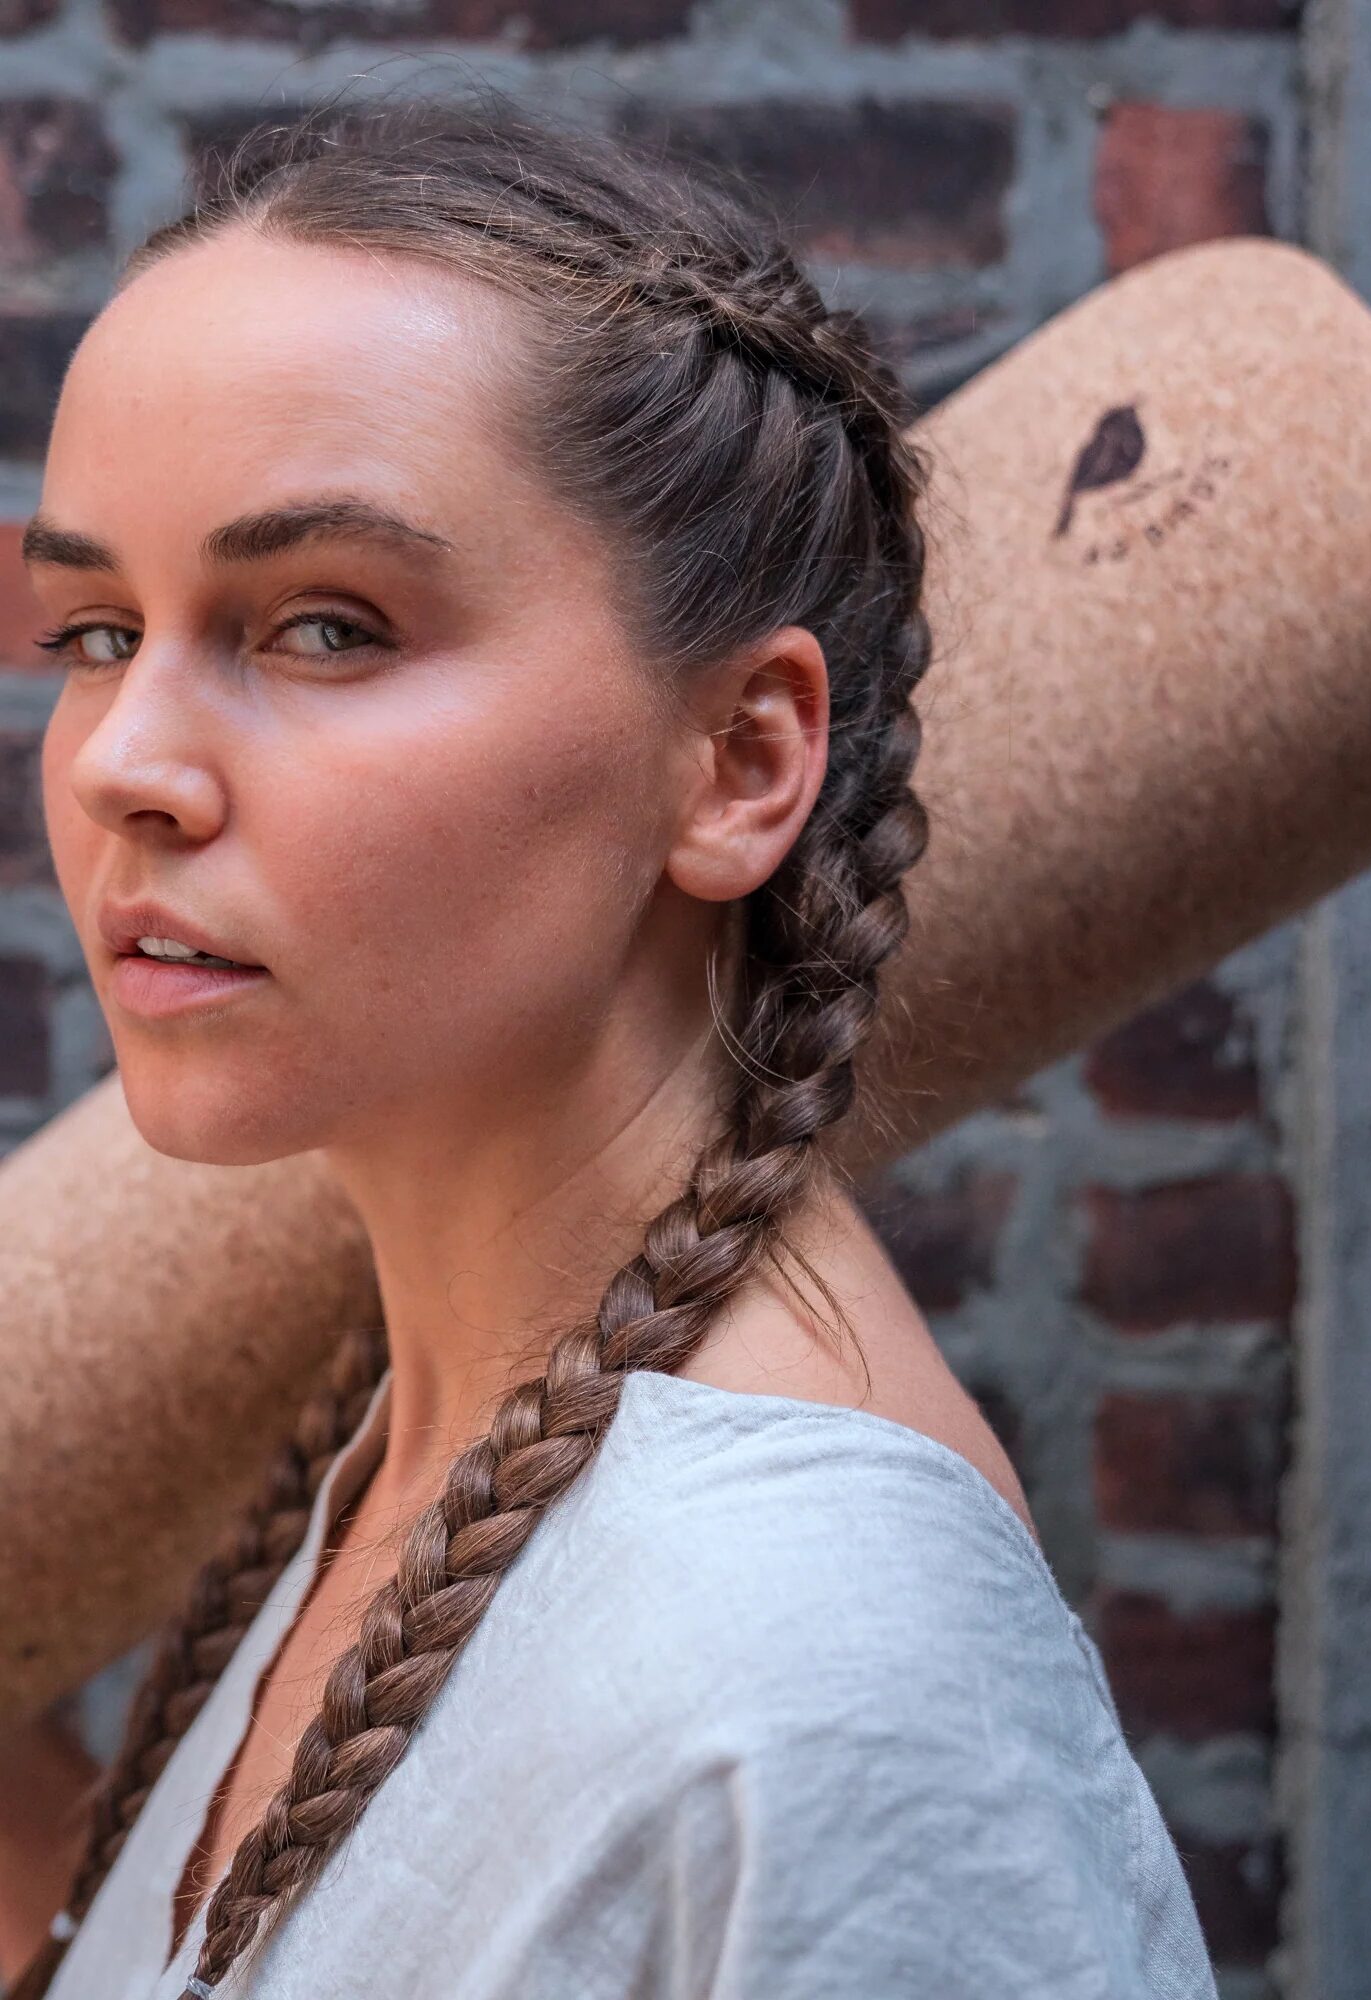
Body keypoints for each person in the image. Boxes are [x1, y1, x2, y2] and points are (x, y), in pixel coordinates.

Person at [10, 87, 1224, 2000]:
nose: (126, 766)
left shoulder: (812, 1674)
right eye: (93, 632)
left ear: (737, 761)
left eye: (325, 627)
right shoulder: (423, 1454)